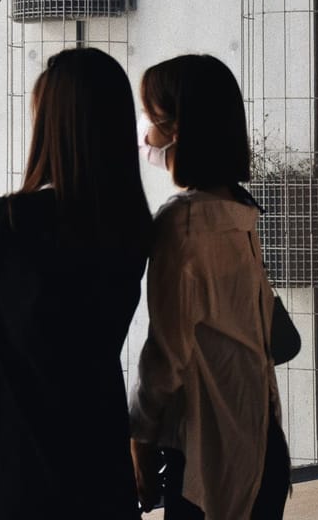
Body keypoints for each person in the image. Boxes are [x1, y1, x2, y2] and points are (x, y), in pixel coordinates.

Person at [0, 47, 152, 520]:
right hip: (98, 466)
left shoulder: (12, 222)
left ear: (53, 126)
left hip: (14, 475)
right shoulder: (134, 227)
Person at [129, 54, 290, 520]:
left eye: (150, 116)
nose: (144, 132)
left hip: (209, 451)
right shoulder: (240, 211)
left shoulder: (182, 225)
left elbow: (167, 355)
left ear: (176, 130)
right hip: (261, 441)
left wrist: (139, 436)